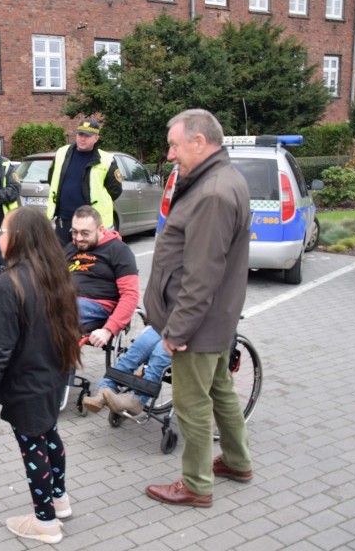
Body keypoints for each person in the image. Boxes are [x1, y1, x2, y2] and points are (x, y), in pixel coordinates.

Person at [144, 109, 253, 508]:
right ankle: (238, 461)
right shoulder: (219, 179)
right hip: (216, 319)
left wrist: (177, 330)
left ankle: (196, 485)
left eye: (174, 145)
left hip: (198, 324)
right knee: (221, 388)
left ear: (199, 142)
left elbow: (202, 273)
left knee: (191, 403)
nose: (170, 154)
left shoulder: (212, 193)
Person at [0, 207, 81, 545]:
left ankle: (45, 521)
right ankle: (59, 499)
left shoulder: (9, 284)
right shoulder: (54, 273)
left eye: (3, 232)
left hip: (27, 381)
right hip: (53, 375)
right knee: (49, 435)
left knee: (32, 446)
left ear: (19, 238)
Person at [65, 206, 139, 349]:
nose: (79, 238)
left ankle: (59, 369)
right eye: (74, 232)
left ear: (100, 230)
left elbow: (130, 294)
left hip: (96, 305)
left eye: (85, 233)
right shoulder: (70, 248)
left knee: (57, 316)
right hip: (65, 299)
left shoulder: (118, 250)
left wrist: (109, 329)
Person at [47, 118, 123, 245]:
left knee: (90, 262)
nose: (82, 139)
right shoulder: (62, 153)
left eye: (87, 136)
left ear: (96, 138)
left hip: (91, 224)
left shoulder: (106, 160)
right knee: (63, 261)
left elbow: (115, 190)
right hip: (64, 221)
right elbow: (52, 179)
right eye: (80, 134)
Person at [86, 325, 171, 416]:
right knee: (139, 345)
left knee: (160, 354)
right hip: (166, 323)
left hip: (184, 333)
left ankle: (138, 399)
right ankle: (106, 387)